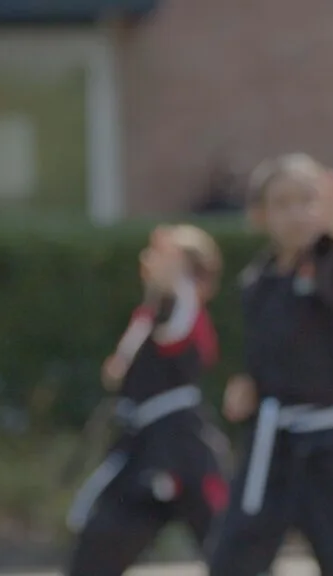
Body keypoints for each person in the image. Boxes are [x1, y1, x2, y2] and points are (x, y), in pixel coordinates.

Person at [207, 153, 333, 576]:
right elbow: (269, 352)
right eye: (282, 203)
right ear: (260, 215)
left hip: (329, 450)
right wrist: (249, 384)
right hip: (271, 447)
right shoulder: (258, 282)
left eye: (308, 200)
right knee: (232, 561)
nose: (297, 214)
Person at [65, 224, 231, 576]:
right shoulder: (150, 314)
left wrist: (177, 281)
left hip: (183, 448)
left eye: (174, 262)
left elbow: (181, 308)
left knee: (227, 548)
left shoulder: (185, 313)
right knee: (100, 543)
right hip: (141, 449)